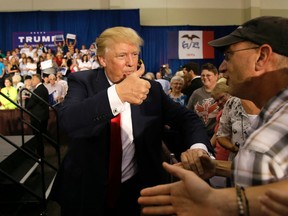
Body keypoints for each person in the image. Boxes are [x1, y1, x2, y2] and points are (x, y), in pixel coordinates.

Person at [50, 26, 214, 216]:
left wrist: (198, 148)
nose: (130, 63)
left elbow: (187, 119)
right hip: (86, 191)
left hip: (138, 191)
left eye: (134, 54)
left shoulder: (151, 89)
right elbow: (68, 121)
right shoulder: (82, 81)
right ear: (102, 59)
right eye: (122, 56)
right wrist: (117, 95)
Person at [138, 16, 288, 216]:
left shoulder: (265, 145)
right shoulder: (273, 117)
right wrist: (217, 167)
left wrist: (219, 204)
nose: (223, 68)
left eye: (228, 55)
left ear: (261, 57)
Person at [187, 62, 219, 139]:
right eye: (203, 75)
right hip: (199, 134)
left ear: (216, 76)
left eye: (208, 75)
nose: (205, 78)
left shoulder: (222, 93)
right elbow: (188, 113)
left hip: (217, 135)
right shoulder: (196, 93)